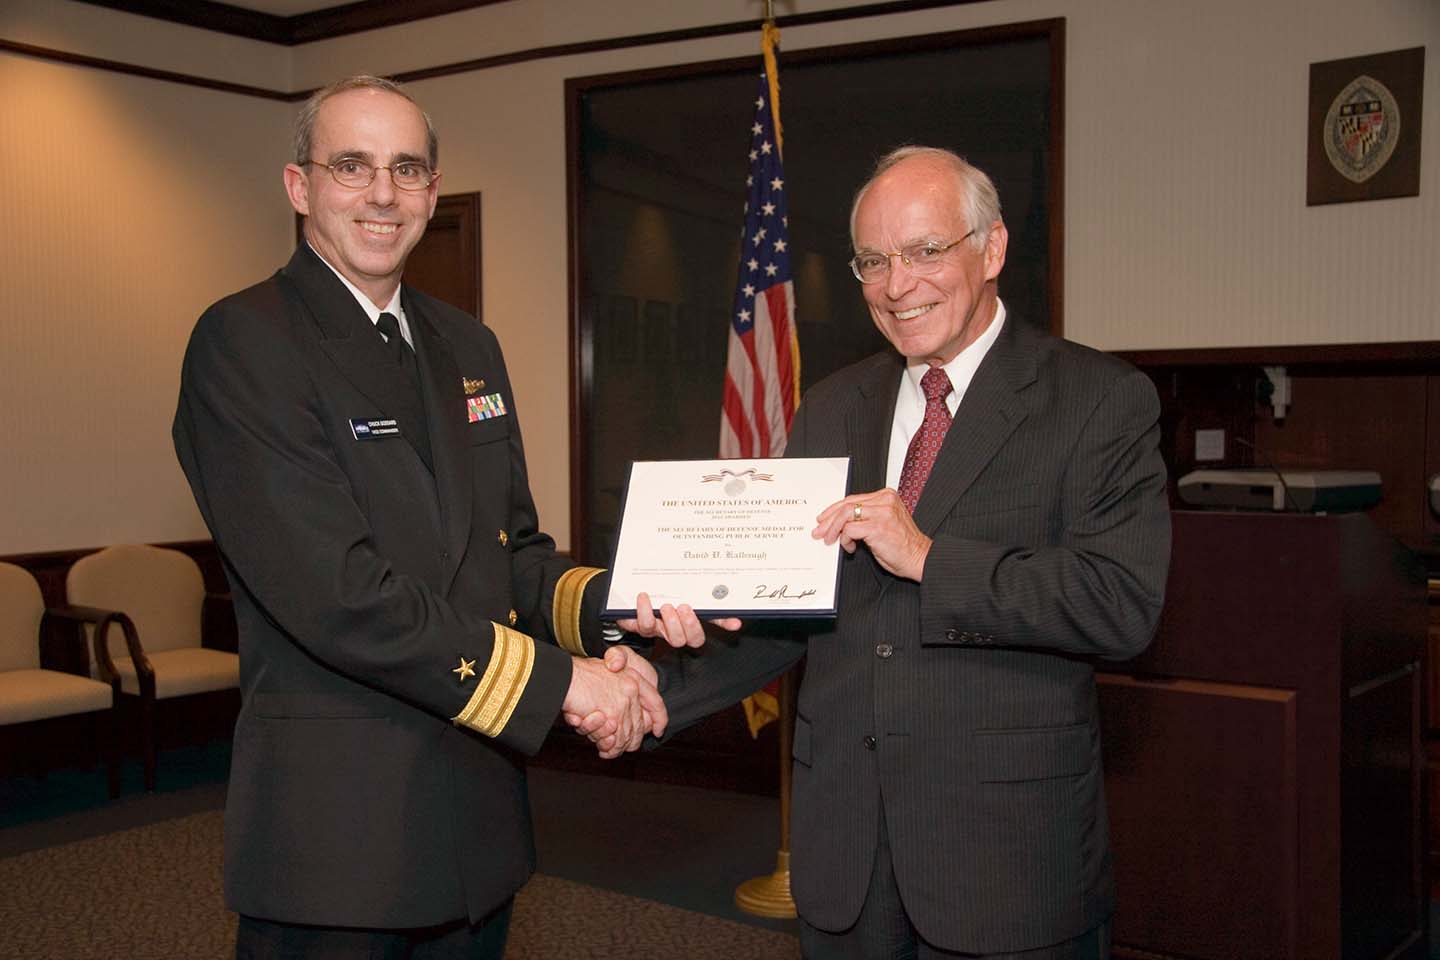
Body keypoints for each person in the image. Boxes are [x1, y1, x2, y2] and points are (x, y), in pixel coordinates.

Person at [172, 75, 705, 958]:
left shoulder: (467, 345)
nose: (383, 193)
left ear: (431, 191)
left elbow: (513, 554)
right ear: (299, 187)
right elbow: (339, 595)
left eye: (407, 169)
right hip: (339, 843)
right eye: (353, 166)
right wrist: (566, 684)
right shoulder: (246, 344)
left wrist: (638, 592)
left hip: (476, 823)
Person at [641, 146, 1172, 958]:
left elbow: (1119, 604)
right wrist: (651, 685)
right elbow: (791, 616)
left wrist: (929, 556)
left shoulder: (1098, 400)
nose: (898, 285)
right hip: (846, 860)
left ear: (991, 249)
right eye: (874, 261)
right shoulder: (830, 408)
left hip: (1006, 863)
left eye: (927, 251)